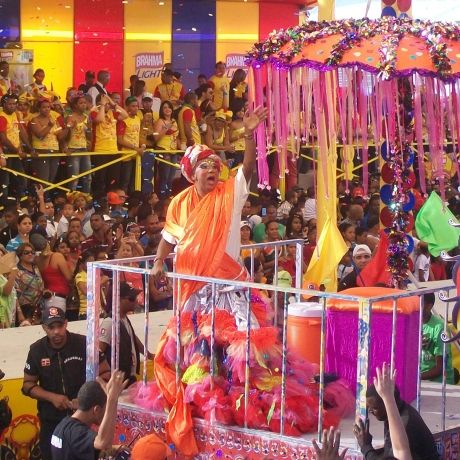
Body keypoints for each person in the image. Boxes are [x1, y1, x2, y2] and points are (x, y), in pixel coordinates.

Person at [22, 306, 110, 460]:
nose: (56, 331)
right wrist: (52, 397)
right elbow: (27, 385)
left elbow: (106, 373)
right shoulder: (36, 350)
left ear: (66, 323)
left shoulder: (84, 344)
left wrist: (85, 399)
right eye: (51, 327)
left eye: (60, 325)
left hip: (83, 423)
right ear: (44, 328)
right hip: (50, 422)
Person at [353, 365, 439, 460]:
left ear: (386, 403)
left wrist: (365, 447)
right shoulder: (401, 410)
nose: (370, 411)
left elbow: (396, 455)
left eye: (374, 408)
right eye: (368, 407)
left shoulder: (404, 423)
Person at [51, 370, 127, 460]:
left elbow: (83, 447)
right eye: (106, 409)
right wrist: (112, 400)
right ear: (96, 410)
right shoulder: (76, 432)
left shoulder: (64, 425)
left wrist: (114, 448)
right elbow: (103, 443)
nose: (107, 413)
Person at [99, 282, 153, 384]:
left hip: (127, 378)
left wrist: (149, 355)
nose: (135, 301)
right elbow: (98, 351)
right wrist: (107, 376)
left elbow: (132, 338)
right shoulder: (109, 323)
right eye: (131, 298)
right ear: (118, 300)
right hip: (118, 382)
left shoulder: (123, 318)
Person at [90, 93, 128, 195]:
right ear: (98, 103)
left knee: (113, 181)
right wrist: (102, 105)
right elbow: (100, 119)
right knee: (100, 181)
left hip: (114, 151)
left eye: (107, 104)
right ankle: (100, 202)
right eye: (105, 104)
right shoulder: (93, 112)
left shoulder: (113, 113)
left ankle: (112, 202)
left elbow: (125, 115)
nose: (107, 106)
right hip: (99, 152)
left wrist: (112, 102)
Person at [0, 94, 32, 198]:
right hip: (5, 152)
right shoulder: (2, 117)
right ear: (3, 104)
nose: (12, 106)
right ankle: (4, 208)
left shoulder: (16, 114)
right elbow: (3, 139)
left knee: (21, 180)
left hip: (15, 152)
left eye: (14, 104)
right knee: (5, 182)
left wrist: (30, 148)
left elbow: (21, 131)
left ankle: (19, 204)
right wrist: (17, 150)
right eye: (10, 104)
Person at [29, 98, 67, 186]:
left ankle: (46, 198)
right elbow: (40, 135)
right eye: (44, 107)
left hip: (55, 152)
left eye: (48, 107)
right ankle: (42, 199)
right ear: (39, 109)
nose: (47, 109)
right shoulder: (34, 120)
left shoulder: (54, 120)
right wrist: (49, 126)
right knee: (43, 180)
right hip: (41, 152)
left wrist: (68, 127)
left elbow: (60, 136)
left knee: (51, 180)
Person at [421, 293, 456, 384]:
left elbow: (440, 368)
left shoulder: (440, 328)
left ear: (429, 306)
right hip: (421, 379)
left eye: (419, 303)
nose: (414, 306)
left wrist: (415, 377)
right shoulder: (412, 322)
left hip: (439, 383)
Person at [63, 93, 91, 192]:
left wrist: (88, 130)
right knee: (74, 178)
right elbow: (65, 135)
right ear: (75, 105)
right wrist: (65, 147)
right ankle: (71, 199)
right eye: (81, 103)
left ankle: (86, 198)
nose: (84, 105)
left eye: (85, 103)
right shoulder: (70, 117)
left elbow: (89, 135)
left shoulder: (86, 117)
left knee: (88, 177)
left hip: (84, 148)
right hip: (73, 149)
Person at [116, 96, 144, 192]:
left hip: (136, 155)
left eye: (137, 106)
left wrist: (142, 146)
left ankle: (133, 203)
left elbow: (138, 135)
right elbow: (120, 140)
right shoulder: (123, 120)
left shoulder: (138, 119)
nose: (136, 108)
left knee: (134, 182)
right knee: (125, 182)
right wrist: (135, 148)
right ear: (127, 107)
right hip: (126, 155)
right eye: (133, 106)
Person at [153, 100, 179, 197]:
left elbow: (176, 136)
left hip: (174, 151)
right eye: (164, 107)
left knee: (171, 178)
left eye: (169, 107)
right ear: (161, 110)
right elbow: (156, 138)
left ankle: (169, 196)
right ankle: (162, 198)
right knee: (164, 177)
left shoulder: (174, 121)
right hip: (163, 150)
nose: (167, 109)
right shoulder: (160, 121)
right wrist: (166, 128)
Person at [15, 243, 44, 325]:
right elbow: (14, 294)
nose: (30, 254)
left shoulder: (36, 267)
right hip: (25, 309)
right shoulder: (16, 271)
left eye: (32, 252)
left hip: (39, 307)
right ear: (20, 255)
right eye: (26, 253)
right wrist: (19, 312)